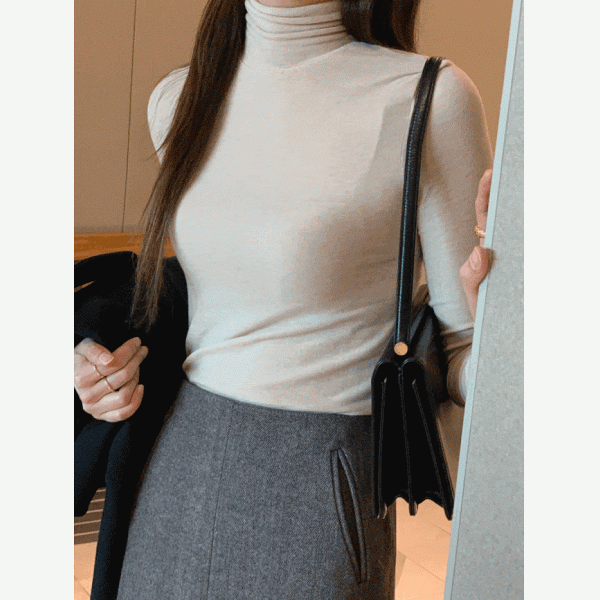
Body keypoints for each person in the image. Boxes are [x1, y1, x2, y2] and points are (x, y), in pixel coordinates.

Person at [74, 0, 493, 597]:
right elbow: (203, 297)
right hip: (176, 463)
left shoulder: (430, 99)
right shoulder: (179, 100)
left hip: (322, 480)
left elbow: (460, 355)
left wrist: (516, 333)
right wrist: (94, 365)